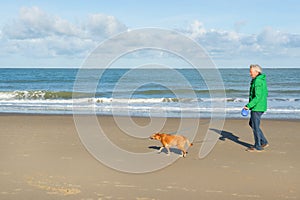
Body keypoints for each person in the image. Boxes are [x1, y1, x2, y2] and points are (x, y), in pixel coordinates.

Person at [244, 64, 268, 152]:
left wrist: (248, 106)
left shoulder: (258, 81)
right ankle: (264, 141)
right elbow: (265, 93)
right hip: (260, 106)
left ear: (257, 72)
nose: (250, 74)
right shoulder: (260, 80)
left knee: (255, 126)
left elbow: (257, 96)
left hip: (257, 107)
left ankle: (258, 146)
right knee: (252, 123)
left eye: (251, 72)